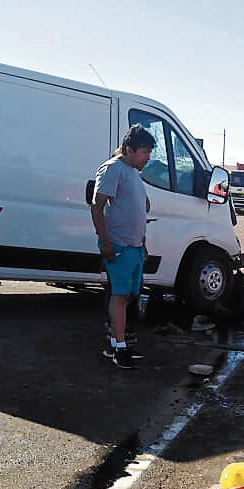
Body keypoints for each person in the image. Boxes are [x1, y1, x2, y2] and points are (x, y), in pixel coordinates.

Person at [90, 125, 155, 369]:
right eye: (144, 152)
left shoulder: (133, 172)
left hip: (134, 248)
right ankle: (118, 348)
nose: (147, 157)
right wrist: (105, 242)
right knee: (119, 296)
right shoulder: (112, 169)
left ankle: (117, 341)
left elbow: (138, 211)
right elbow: (97, 207)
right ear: (129, 149)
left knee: (129, 295)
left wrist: (143, 244)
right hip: (118, 247)